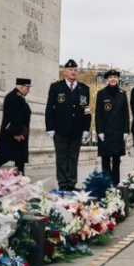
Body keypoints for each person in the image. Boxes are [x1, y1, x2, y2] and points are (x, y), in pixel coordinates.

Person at [45, 59, 91, 191]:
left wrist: (86, 129)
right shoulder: (56, 87)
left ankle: (71, 183)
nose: (73, 72)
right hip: (60, 130)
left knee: (73, 158)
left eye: (75, 70)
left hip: (77, 130)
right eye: (70, 70)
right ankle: (62, 184)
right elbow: (49, 108)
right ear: (64, 72)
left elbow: (86, 110)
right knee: (61, 158)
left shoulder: (84, 89)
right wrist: (50, 128)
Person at [95, 70, 129, 184]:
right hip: (105, 132)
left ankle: (115, 183)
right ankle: (106, 184)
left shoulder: (122, 93)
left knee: (116, 159)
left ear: (118, 78)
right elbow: (98, 114)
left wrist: (126, 130)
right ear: (107, 79)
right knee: (105, 159)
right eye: (110, 77)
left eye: (115, 77)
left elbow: (126, 114)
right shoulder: (101, 93)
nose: (113, 79)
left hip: (118, 132)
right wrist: (99, 131)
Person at [0, 78, 32, 174]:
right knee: (4, 158)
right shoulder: (16, 98)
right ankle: (20, 181)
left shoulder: (16, 97)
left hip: (16, 135)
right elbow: (16, 117)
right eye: (27, 88)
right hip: (15, 135)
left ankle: (20, 182)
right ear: (21, 87)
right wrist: (17, 133)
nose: (28, 90)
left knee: (19, 160)